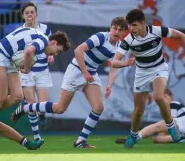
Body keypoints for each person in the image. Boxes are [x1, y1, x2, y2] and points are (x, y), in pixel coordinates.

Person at [13, 17, 129, 148]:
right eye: (115, 28)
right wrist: (85, 72)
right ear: (111, 27)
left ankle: (80, 141)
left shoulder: (119, 47)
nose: (116, 31)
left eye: (120, 30)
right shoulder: (101, 37)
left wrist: (109, 84)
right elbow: (78, 50)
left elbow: (113, 66)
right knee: (59, 108)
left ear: (125, 32)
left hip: (90, 73)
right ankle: (26, 107)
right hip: (76, 70)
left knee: (98, 107)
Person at [111, 9, 185, 148]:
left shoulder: (156, 31)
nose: (131, 29)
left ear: (143, 23)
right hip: (141, 74)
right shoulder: (128, 40)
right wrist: (125, 63)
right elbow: (114, 61)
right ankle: (133, 135)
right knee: (138, 111)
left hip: (159, 68)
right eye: (130, 26)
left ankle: (171, 128)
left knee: (158, 96)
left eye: (134, 25)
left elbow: (181, 36)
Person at [0, 27, 70, 149]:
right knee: (1, 97)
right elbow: (28, 52)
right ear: (53, 42)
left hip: (8, 58)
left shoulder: (39, 38)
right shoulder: (43, 40)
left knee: (18, 96)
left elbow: (20, 43)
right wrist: (27, 69)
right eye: (58, 51)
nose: (55, 54)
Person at [15, 2, 54, 141]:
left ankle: (41, 114)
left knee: (42, 105)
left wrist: (51, 56)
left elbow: (51, 48)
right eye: (27, 13)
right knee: (32, 106)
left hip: (43, 70)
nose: (30, 15)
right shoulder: (18, 32)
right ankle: (37, 136)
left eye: (32, 12)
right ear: (23, 16)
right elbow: (16, 53)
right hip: (26, 72)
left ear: (36, 14)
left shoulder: (45, 29)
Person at [115, 89, 185, 144]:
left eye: (165, 97)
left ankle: (134, 138)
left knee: (155, 127)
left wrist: (161, 131)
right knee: (157, 139)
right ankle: (180, 137)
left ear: (171, 97)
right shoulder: (167, 109)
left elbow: (170, 123)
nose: (163, 100)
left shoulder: (173, 103)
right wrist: (161, 134)